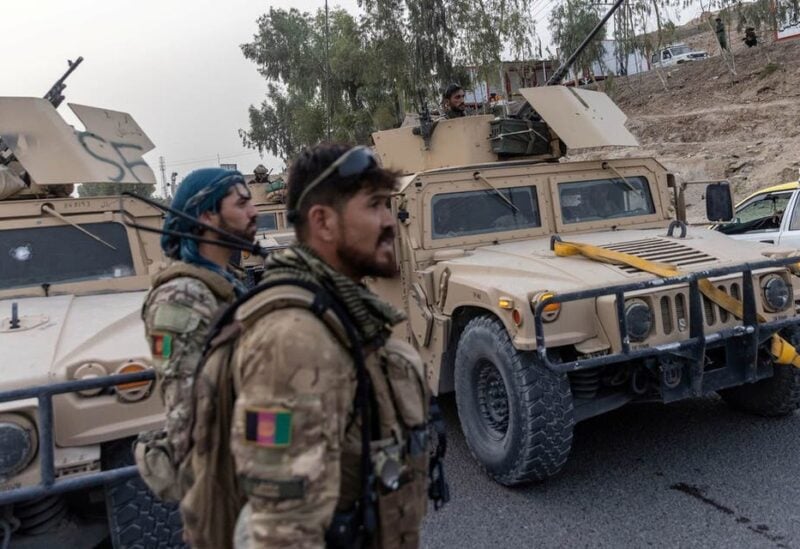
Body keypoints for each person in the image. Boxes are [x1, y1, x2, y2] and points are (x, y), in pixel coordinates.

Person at [228, 144, 431, 548]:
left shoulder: (340, 313)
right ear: (323, 222)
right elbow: (280, 528)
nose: (389, 221)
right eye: (374, 205)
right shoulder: (293, 342)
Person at [136, 168, 257, 501]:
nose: (254, 211)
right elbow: (188, 414)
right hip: (224, 484)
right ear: (208, 215)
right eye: (242, 204)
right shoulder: (181, 298)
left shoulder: (223, 281)